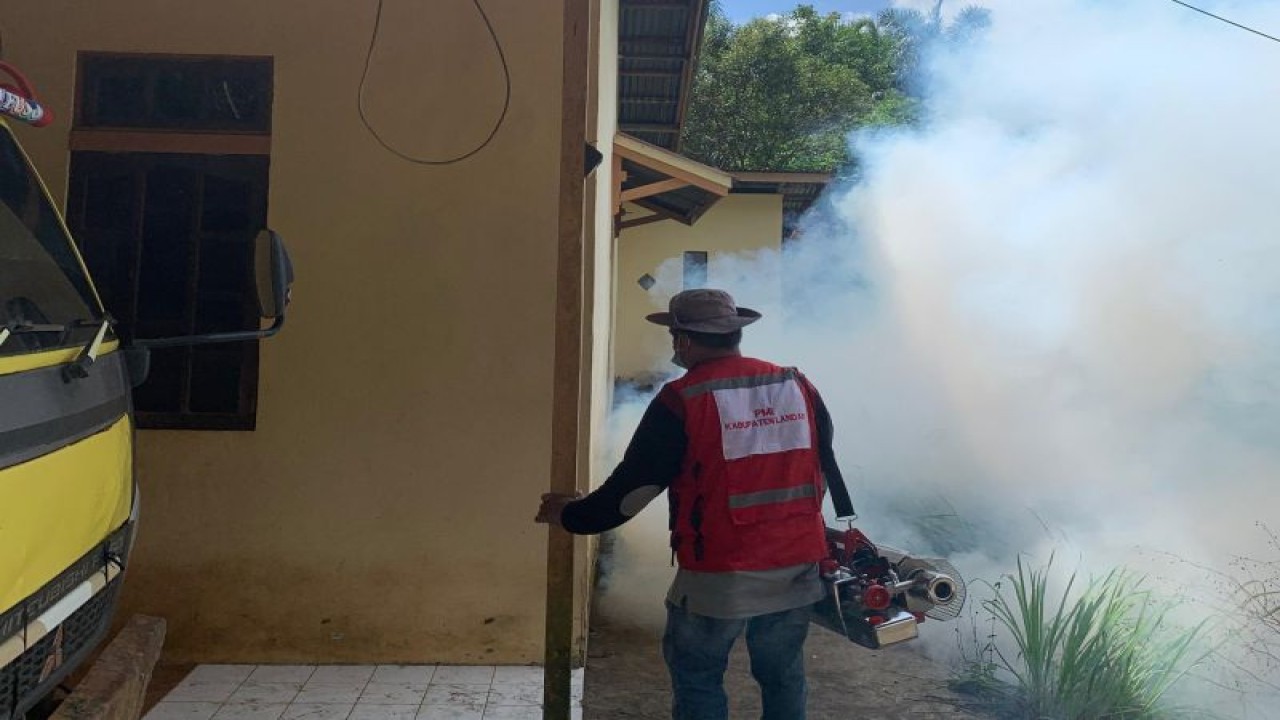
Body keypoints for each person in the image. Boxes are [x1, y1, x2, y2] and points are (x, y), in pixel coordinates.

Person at [536, 288, 854, 720]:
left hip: (718, 576)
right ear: (733, 334)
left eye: (674, 338)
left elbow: (632, 492)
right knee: (782, 675)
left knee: (699, 676)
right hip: (797, 566)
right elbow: (822, 463)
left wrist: (570, 515)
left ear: (683, 340)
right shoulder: (795, 384)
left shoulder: (681, 399)